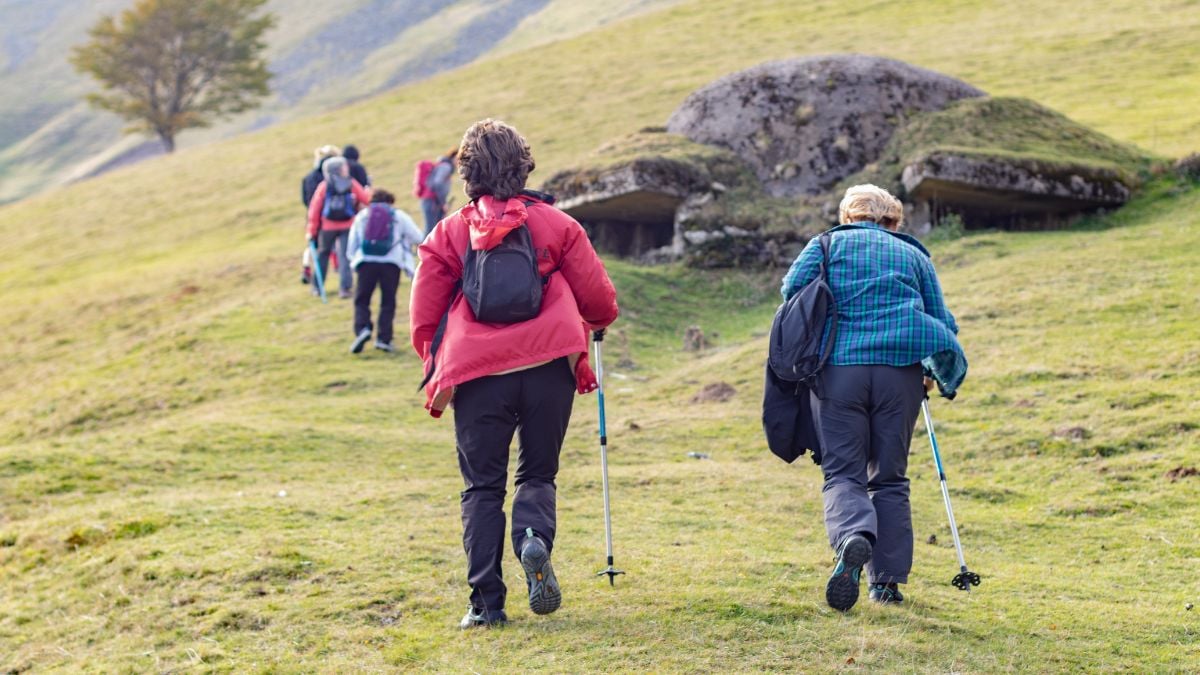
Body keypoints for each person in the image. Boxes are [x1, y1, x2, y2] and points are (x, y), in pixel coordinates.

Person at [409, 119, 619, 629]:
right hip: (550, 367)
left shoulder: (449, 233)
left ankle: (485, 606)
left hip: (477, 374)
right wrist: (591, 324)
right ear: (523, 164)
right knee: (538, 472)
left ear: (467, 171)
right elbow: (600, 302)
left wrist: (441, 367)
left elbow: (423, 319)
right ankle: (532, 541)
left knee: (482, 487)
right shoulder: (559, 226)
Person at [779, 184, 967, 612]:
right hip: (900, 377)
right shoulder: (914, 256)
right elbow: (940, 319)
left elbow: (792, 291)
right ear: (893, 220)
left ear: (848, 216)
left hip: (839, 374)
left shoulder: (825, 245)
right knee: (890, 478)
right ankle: (886, 585)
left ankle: (853, 537)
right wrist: (936, 372)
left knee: (844, 472)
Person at [345, 189, 423, 354]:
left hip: (366, 262)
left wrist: (354, 260)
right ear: (390, 201)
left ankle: (362, 329)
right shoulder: (398, 216)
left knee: (362, 299)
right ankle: (383, 339)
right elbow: (418, 237)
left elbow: (352, 244)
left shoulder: (363, 216)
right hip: (391, 263)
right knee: (388, 302)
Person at [307, 156, 371, 299]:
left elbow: (315, 209)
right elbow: (366, 199)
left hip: (327, 227)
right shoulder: (351, 184)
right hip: (348, 225)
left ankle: (317, 287)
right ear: (340, 169)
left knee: (322, 255)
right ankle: (345, 289)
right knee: (345, 257)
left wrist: (311, 230)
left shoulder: (324, 186)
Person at [420, 148, 457, 235]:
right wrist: (443, 203)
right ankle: (423, 248)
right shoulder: (446, 167)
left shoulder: (444, 165)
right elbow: (437, 183)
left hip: (431, 201)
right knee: (431, 230)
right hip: (432, 202)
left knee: (433, 229)